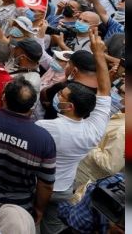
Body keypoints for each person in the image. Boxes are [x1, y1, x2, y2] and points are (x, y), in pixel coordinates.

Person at [34, 30, 112, 234]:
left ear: (69, 106)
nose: (58, 95)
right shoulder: (94, 130)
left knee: (31, 218)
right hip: (64, 188)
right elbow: (104, 91)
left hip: (39, 185)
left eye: (62, 95)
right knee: (52, 227)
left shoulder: (45, 128)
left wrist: (97, 54)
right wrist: (100, 56)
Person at [0, 77, 56, 222]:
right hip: (15, 212)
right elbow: (46, 184)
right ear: (32, 107)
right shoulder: (44, 140)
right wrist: (39, 209)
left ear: (3, 97)